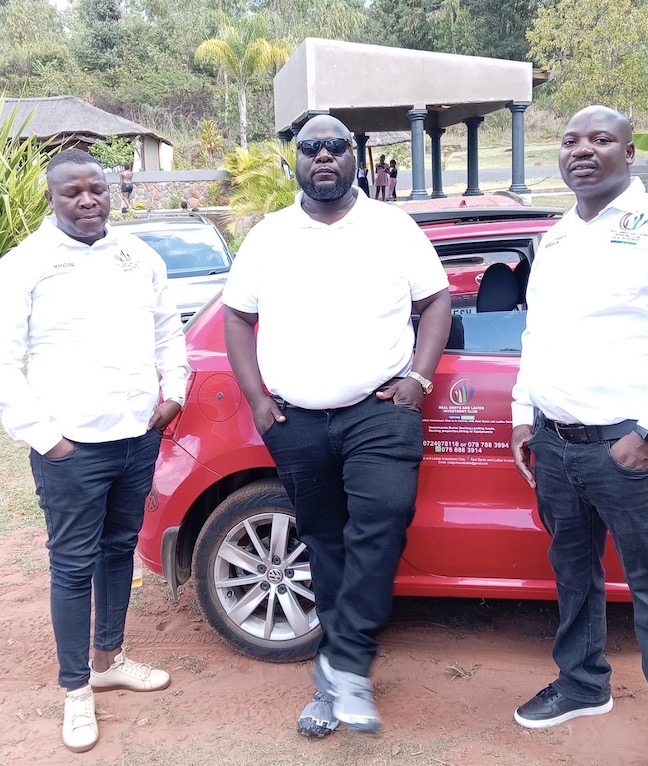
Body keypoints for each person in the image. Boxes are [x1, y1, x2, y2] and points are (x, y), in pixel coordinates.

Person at [222, 115, 451, 738]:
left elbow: (436, 301)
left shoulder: (393, 228)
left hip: (380, 413)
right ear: (293, 160)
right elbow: (237, 317)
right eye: (310, 148)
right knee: (325, 542)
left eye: (336, 146)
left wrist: (419, 379)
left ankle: (345, 663)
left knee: (384, 521)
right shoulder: (269, 236)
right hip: (294, 420)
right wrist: (256, 400)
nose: (323, 155)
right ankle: (335, 683)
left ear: (356, 156)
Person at [510, 106, 648, 766]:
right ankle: (582, 683)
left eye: (600, 139)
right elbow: (537, 334)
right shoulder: (555, 239)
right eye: (570, 140)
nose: (582, 150)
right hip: (555, 445)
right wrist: (523, 413)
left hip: (627, 449)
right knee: (573, 575)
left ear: (629, 153)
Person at [0, 149, 189, 754]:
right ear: (51, 198)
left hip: (136, 437)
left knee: (117, 552)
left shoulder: (138, 256)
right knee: (72, 565)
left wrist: (175, 391)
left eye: (96, 189)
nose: (87, 201)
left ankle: (109, 658)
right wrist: (46, 437)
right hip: (72, 447)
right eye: (72, 192)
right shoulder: (25, 265)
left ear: (111, 191)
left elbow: (168, 329)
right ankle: (76, 688)